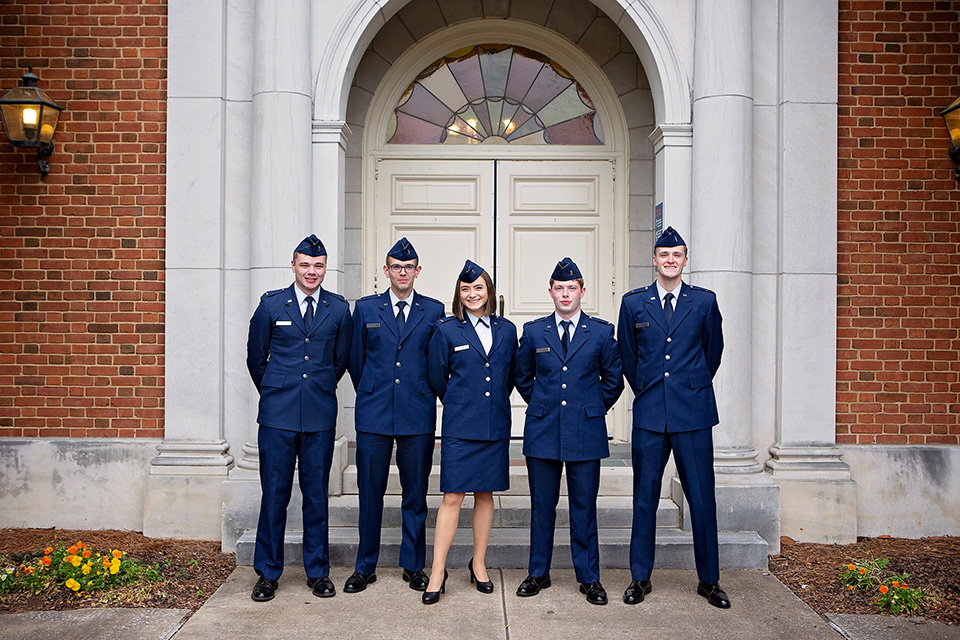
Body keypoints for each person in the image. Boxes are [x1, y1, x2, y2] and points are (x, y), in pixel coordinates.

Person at [616, 226, 729, 608]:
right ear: (654, 260)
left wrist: (691, 386)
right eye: (664, 255)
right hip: (650, 413)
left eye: (677, 255)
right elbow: (628, 358)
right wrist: (650, 387)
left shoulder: (704, 302)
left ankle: (709, 580)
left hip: (693, 413)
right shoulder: (634, 304)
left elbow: (712, 353)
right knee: (644, 498)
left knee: (701, 498)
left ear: (684, 260)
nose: (670, 261)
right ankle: (640, 577)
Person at [245, 234, 353, 602]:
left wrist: (314, 389)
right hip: (277, 415)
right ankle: (268, 573)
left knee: (316, 496)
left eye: (319, 265)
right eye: (305, 265)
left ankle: (317, 572)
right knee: (274, 494)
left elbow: (339, 361)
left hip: (319, 415)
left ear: (325, 268)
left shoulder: (338, 310)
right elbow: (256, 358)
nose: (312, 271)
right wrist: (277, 390)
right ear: (293, 266)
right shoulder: (272, 306)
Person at [513, 258, 624, 605]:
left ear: (582, 292)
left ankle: (589, 578)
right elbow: (522, 376)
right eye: (559, 288)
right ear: (550, 292)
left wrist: (592, 408)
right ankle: (538, 573)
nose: (565, 294)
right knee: (541, 506)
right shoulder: (534, 332)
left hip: (585, 431)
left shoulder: (602, 332)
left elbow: (613, 381)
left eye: (571, 288)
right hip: (543, 431)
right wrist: (542, 403)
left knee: (583, 507)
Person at [345, 237, 444, 593]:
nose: (403, 272)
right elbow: (355, 360)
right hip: (373, 412)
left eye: (409, 267)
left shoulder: (433, 311)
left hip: (417, 412)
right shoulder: (368, 309)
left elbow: (438, 361)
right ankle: (364, 566)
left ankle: (413, 565)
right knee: (369, 492)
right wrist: (372, 389)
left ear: (418, 271)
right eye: (396, 267)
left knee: (415, 493)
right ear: (386, 271)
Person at [422, 260, 517, 605]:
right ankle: (437, 571)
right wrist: (461, 401)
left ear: (488, 291)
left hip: (494, 424)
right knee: (452, 497)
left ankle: (478, 564)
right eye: (466, 289)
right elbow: (437, 377)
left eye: (478, 288)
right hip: (461, 425)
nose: (472, 294)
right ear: (458, 296)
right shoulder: (447, 330)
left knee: (485, 495)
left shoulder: (507, 330)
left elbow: (509, 376)